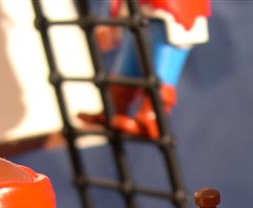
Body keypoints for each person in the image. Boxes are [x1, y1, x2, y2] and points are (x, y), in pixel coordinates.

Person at [79, 0, 211, 139]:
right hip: (141, 15)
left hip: (173, 15)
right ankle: (114, 109)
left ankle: (152, 117)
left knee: (162, 66)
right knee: (128, 63)